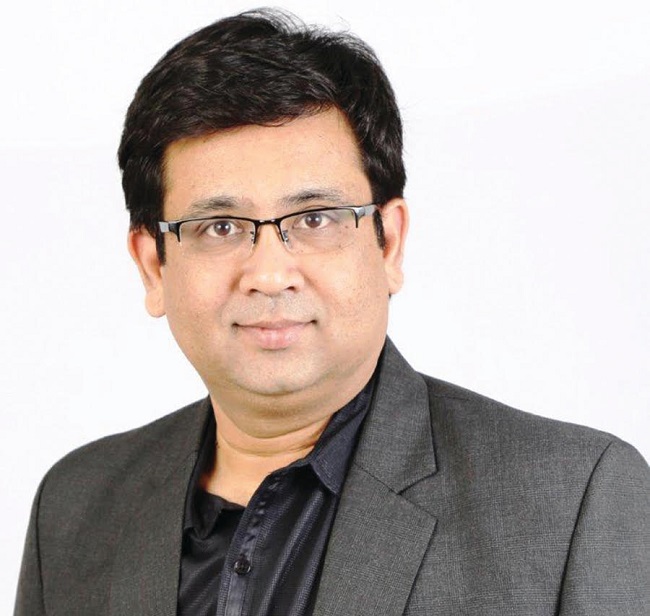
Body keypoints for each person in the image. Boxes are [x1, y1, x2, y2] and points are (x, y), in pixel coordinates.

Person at [14, 9, 649, 616]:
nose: (269, 275)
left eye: (315, 219)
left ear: (389, 243)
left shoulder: (573, 500)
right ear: (153, 266)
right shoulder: (75, 508)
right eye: (220, 227)